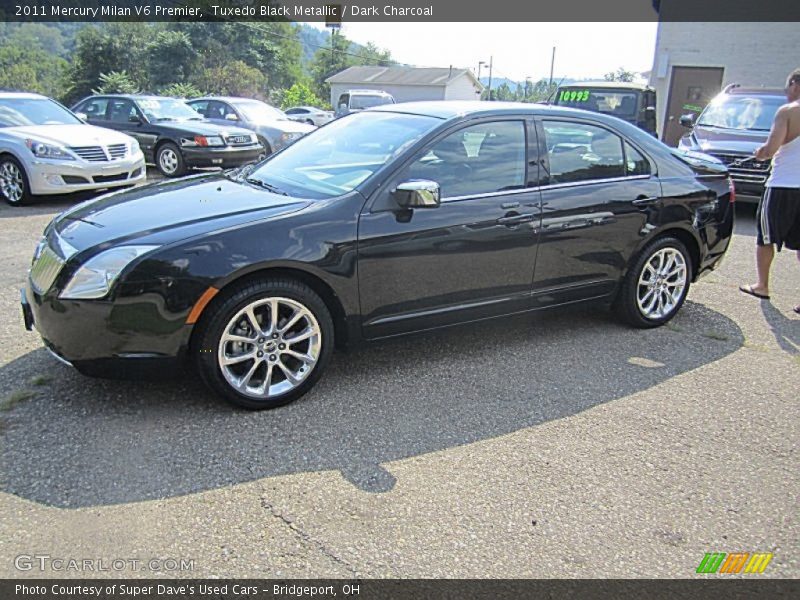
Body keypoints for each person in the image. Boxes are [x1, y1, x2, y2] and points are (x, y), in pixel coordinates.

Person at [739, 68, 800, 315]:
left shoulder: (787, 112)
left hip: (782, 185)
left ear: (795, 84)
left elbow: (772, 149)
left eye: (787, 87)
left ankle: (762, 285)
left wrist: (760, 151)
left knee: (766, 237)